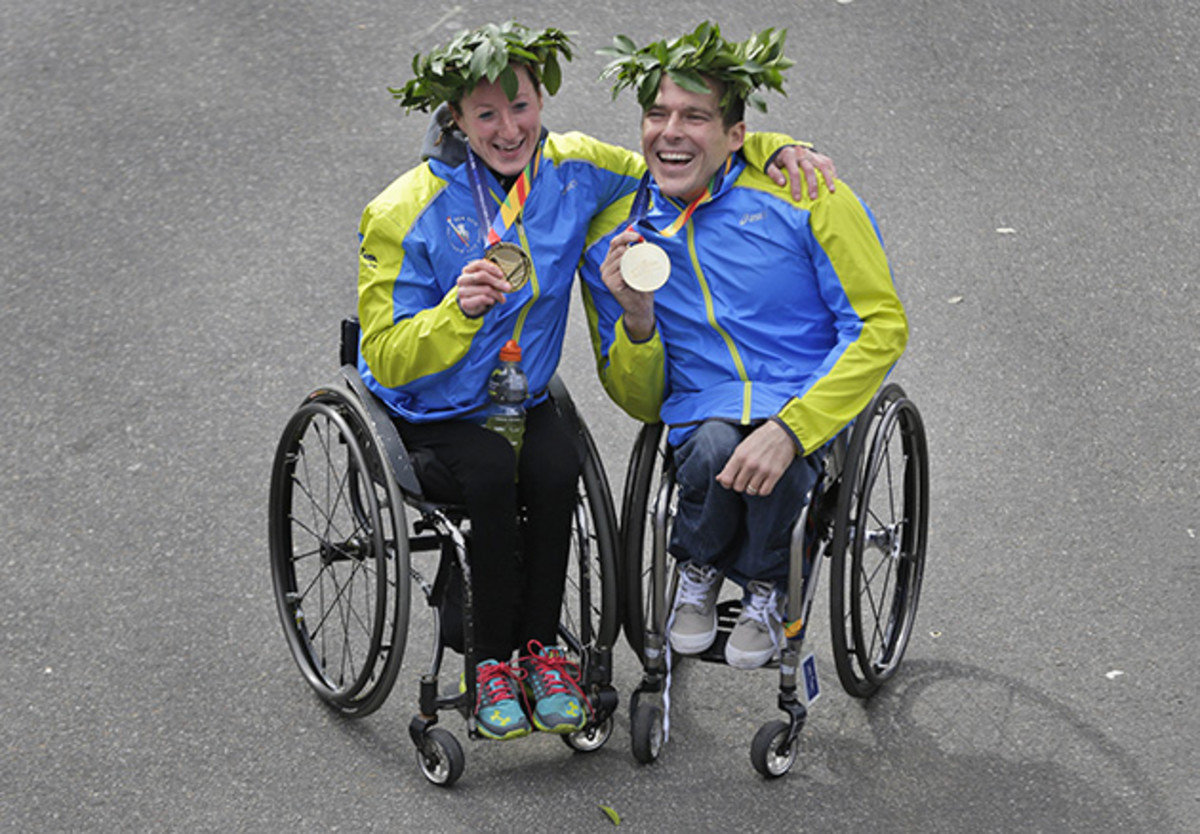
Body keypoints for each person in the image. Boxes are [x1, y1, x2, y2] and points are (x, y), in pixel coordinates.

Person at [357, 21, 837, 738]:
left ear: (542, 100)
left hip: (525, 396)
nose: (508, 128)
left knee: (555, 467)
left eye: (520, 106)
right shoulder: (402, 211)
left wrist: (771, 146)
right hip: (432, 408)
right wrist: (456, 314)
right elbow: (387, 354)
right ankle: (487, 664)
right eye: (485, 114)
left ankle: (542, 652)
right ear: (453, 118)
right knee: (491, 472)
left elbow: (675, 160)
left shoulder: (576, 168)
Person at [581, 22, 908, 670]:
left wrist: (792, 428)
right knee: (712, 445)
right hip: (704, 413)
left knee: (776, 458)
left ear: (736, 136)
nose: (670, 131)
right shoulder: (614, 238)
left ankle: (767, 587)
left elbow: (879, 327)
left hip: (805, 403)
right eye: (656, 114)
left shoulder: (807, 195)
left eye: (695, 116)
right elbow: (640, 404)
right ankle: (698, 570)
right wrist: (638, 321)